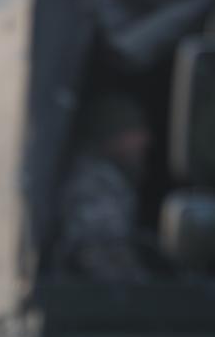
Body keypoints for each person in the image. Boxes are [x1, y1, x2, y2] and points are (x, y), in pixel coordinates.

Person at [54, 93, 154, 284]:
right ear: (111, 138)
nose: (144, 139)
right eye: (133, 131)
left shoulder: (106, 179)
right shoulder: (92, 186)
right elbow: (105, 261)